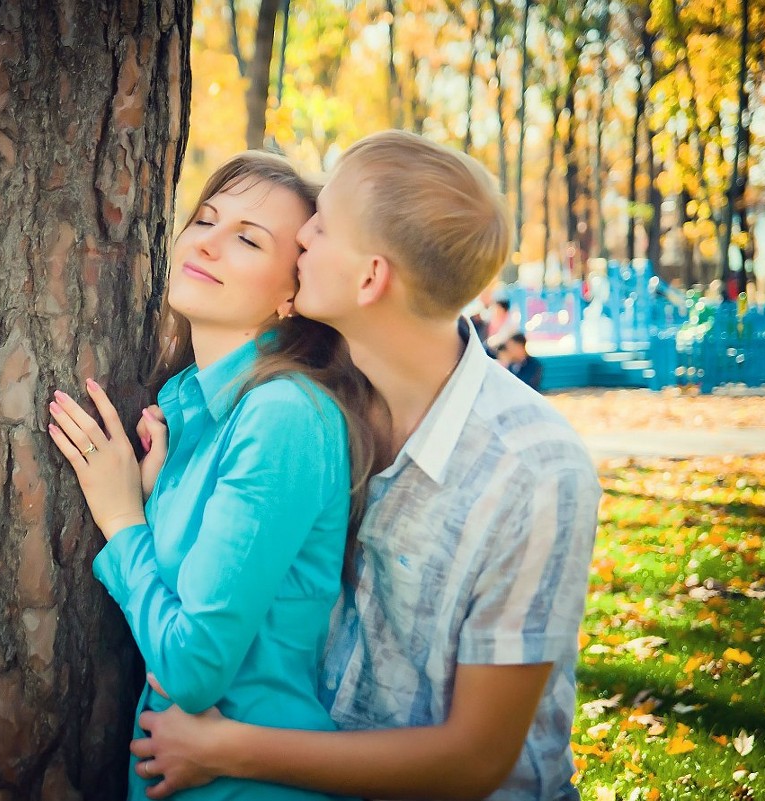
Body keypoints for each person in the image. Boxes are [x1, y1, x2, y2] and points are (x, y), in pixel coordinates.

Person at [129, 131, 601, 800]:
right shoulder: (307, 405)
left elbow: (476, 759)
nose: (301, 239)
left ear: (369, 277)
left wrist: (230, 749)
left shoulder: (530, 469)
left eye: (318, 228)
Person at [47, 152, 373, 801]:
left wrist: (121, 518)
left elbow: (192, 666)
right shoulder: (190, 412)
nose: (208, 243)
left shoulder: (283, 415)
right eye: (206, 218)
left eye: (247, 239)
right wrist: (155, 496)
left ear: (292, 292)